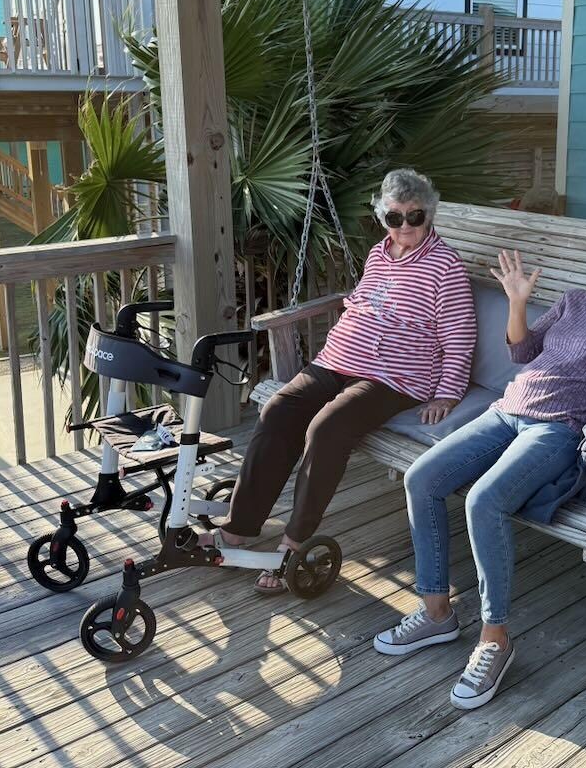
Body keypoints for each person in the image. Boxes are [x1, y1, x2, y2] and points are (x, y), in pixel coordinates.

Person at [372, 212, 586, 709]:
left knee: (484, 502)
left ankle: (495, 639)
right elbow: (523, 351)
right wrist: (516, 302)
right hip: (505, 411)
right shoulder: (574, 301)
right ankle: (437, 612)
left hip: (558, 429)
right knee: (421, 479)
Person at [201, 168, 475, 592]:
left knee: (326, 428)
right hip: (336, 361)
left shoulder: (446, 267)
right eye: (395, 217)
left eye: (415, 216)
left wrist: (448, 393)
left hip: (394, 377)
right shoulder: (379, 254)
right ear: (382, 217)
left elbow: (460, 336)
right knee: (278, 410)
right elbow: (367, 299)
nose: (405, 226)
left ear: (429, 214)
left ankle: (294, 543)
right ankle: (238, 528)